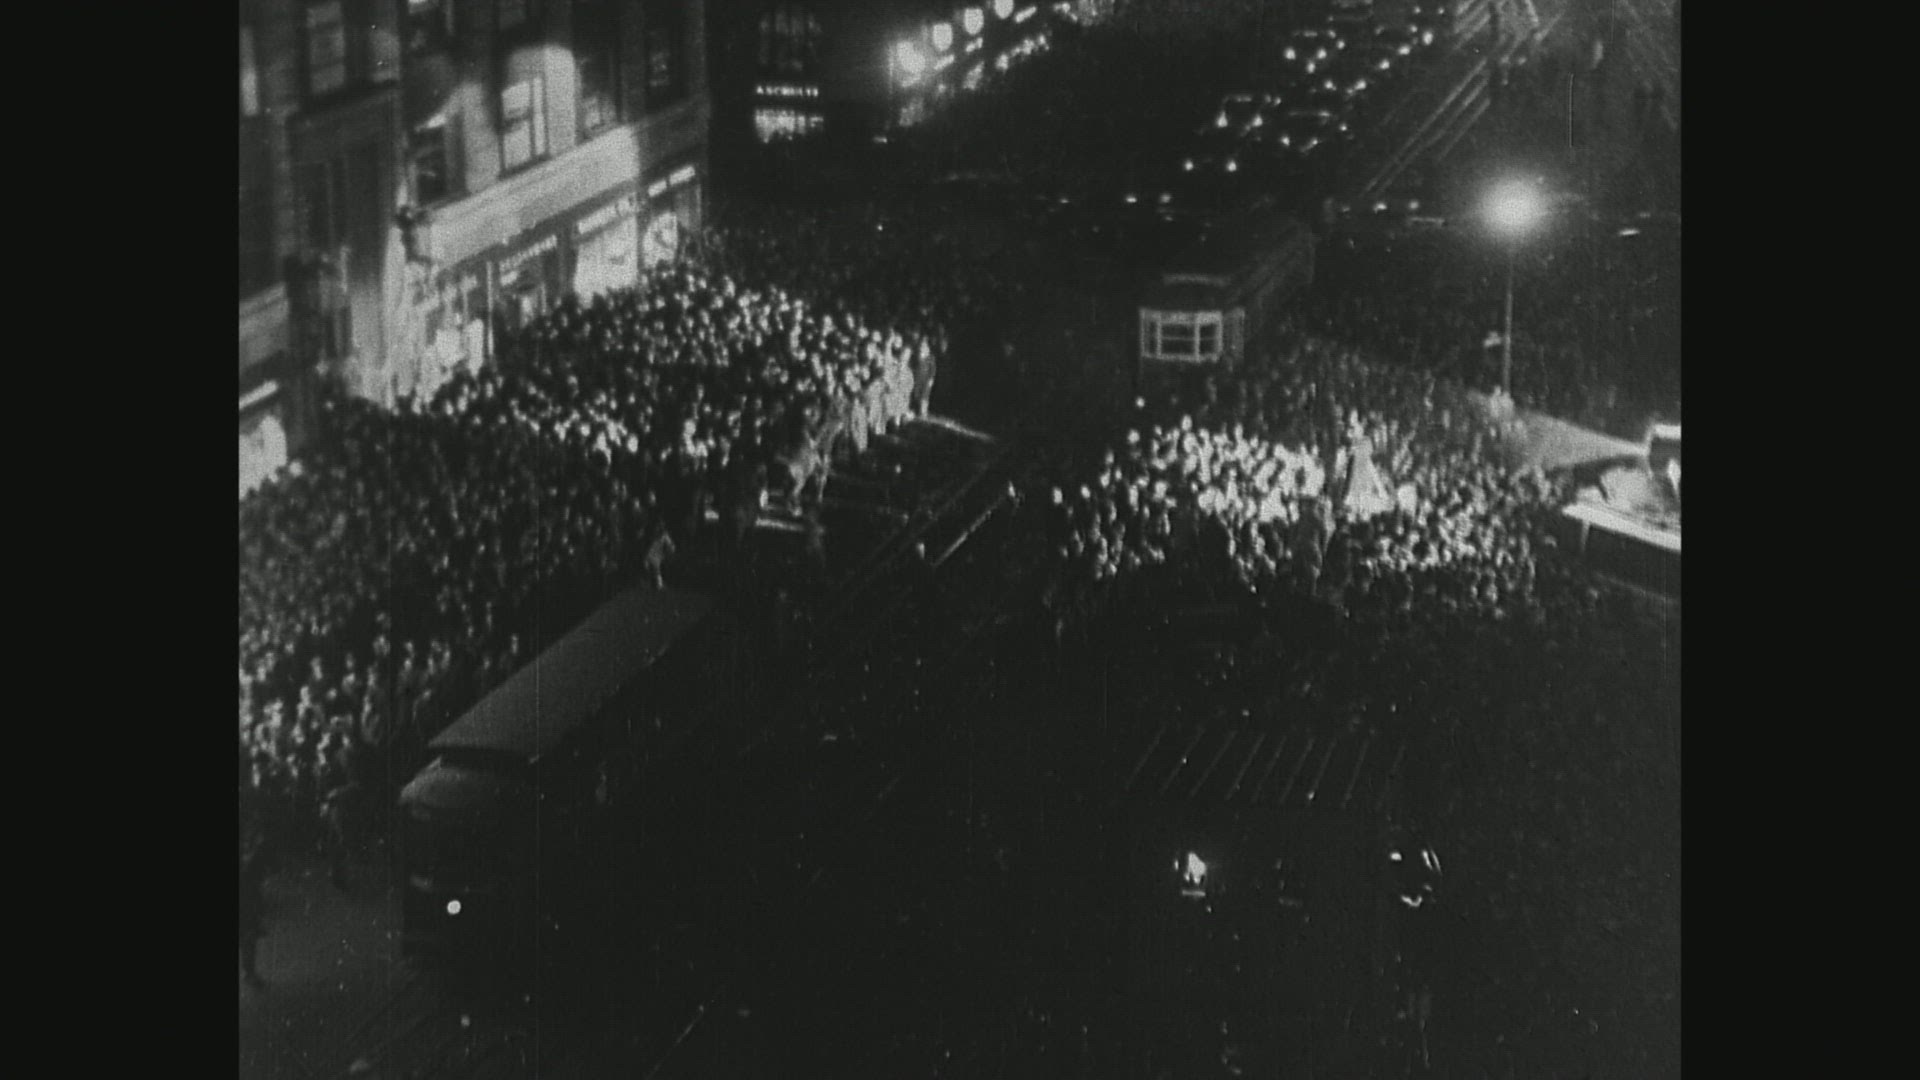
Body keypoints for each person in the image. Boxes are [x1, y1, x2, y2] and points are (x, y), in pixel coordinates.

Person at [239, 848, 270, 989]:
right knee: (248, 942)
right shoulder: (246, 872)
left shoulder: (246, 873)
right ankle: (249, 974)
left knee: (248, 942)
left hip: (246, 912)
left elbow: (254, 893)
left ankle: (249, 973)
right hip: (246, 912)